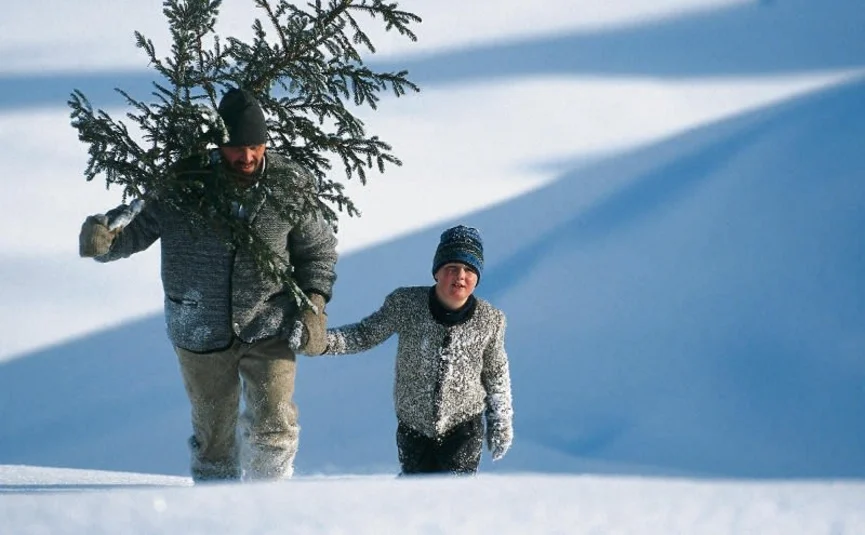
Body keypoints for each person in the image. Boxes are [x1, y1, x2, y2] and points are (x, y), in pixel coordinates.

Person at [78, 88, 338, 482]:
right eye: (236, 147)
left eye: (255, 146)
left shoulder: (290, 184)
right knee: (213, 437)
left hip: (268, 322)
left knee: (275, 422)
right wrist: (104, 242)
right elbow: (139, 231)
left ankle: (273, 506)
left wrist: (314, 304)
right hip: (198, 325)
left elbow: (318, 251)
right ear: (219, 145)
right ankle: (215, 514)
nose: (247, 157)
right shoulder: (186, 182)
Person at [313, 225, 513, 475]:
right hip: (413, 424)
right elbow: (364, 335)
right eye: (452, 268)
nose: (460, 276)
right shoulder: (406, 304)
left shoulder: (491, 320)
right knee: (416, 490)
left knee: (454, 493)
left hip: (464, 424)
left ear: (477, 278)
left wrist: (500, 420)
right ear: (437, 273)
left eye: (469, 270)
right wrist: (321, 341)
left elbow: (496, 373)